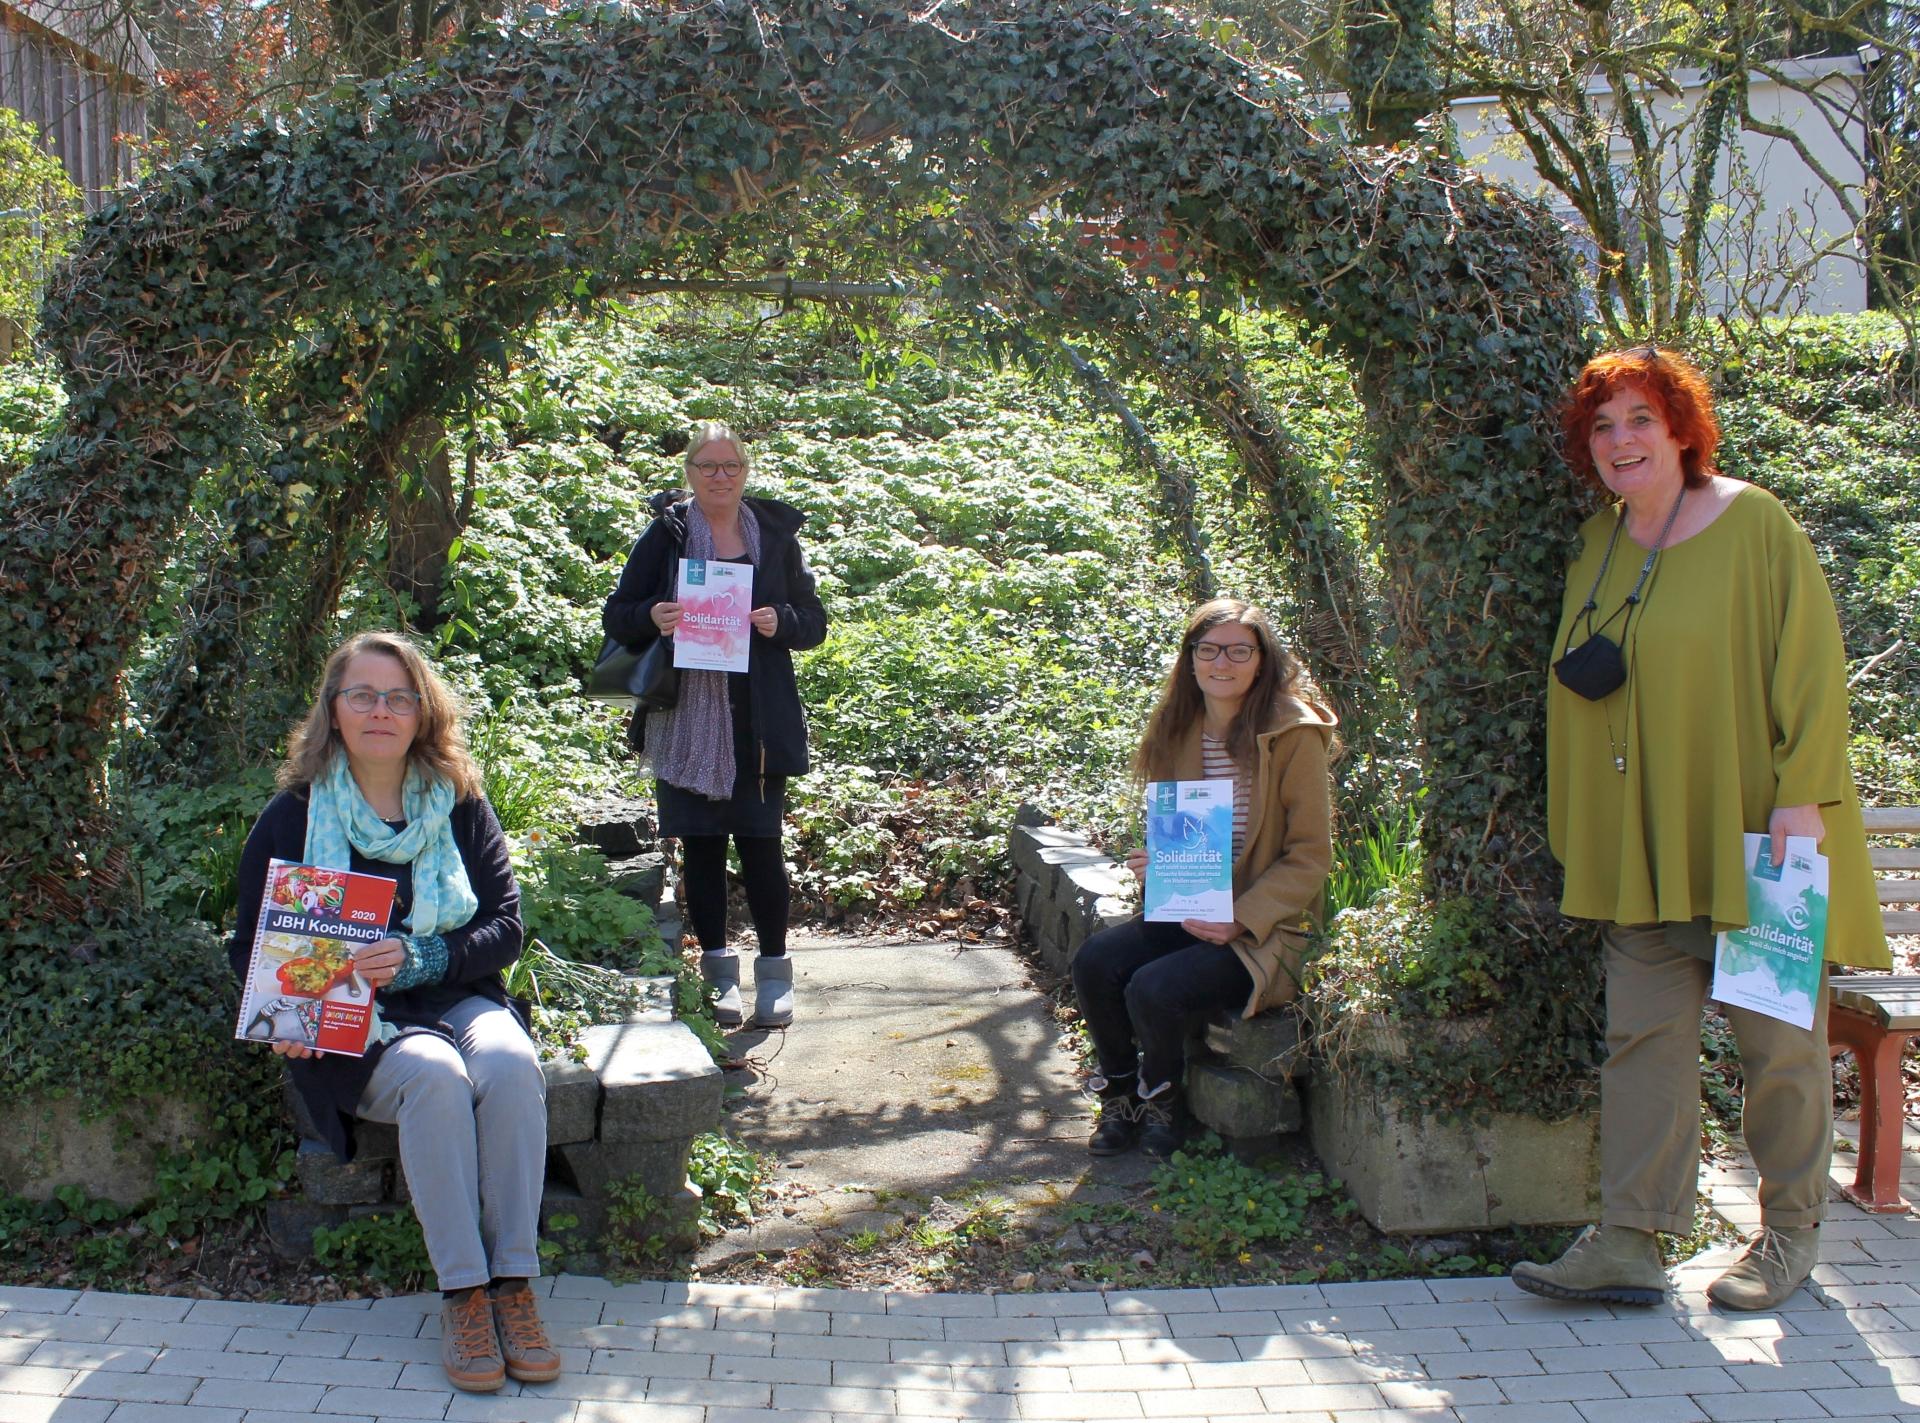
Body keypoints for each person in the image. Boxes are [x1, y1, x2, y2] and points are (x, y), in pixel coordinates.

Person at [1515, 345, 1890, 1311]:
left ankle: (1791, 1235)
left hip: (1758, 841)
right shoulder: (1596, 543)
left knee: (1779, 1047)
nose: (1620, 439)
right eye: (1602, 425)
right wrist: (1585, 827)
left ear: (1681, 427)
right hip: (1639, 847)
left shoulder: (1753, 521)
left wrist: (1801, 796)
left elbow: (1810, 665)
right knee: (1641, 1042)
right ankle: (1633, 1240)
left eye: (1640, 418)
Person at [229, 632, 555, 1393]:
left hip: (456, 993)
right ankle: (465, 1296)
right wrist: (287, 1019)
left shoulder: (460, 802)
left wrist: (423, 957)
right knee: (437, 1074)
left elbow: (504, 928)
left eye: (399, 695)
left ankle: (515, 1283)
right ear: (333, 711)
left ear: (422, 712)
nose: (381, 709)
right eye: (363, 694)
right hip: (350, 1026)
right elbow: (250, 943)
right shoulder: (294, 815)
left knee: (508, 1063)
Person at [1070, 598, 1337, 1157]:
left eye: (1240, 650)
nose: (1224, 662)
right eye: (1210, 650)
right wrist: (1155, 865)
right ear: (1190, 660)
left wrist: (1242, 917)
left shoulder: (1294, 733)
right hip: (1194, 905)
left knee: (1155, 986)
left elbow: (1310, 855)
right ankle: (1121, 1097)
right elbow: (1181, 832)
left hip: (1265, 927)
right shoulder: (1178, 727)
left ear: (1262, 660)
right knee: (1095, 962)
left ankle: (1164, 1102)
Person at [602, 422, 828, 1029]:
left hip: (758, 723)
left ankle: (775, 976)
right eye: (707, 466)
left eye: (730, 466)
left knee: (762, 850)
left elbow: (814, 620)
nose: (720, 476)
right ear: (690, 474)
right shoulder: (667, 533)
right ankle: (720, 975)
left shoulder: (774, 536)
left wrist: (781, 620)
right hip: (684, 721)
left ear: (745, 471)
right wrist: (654, 613)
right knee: (701, 852)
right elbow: (618, 615)